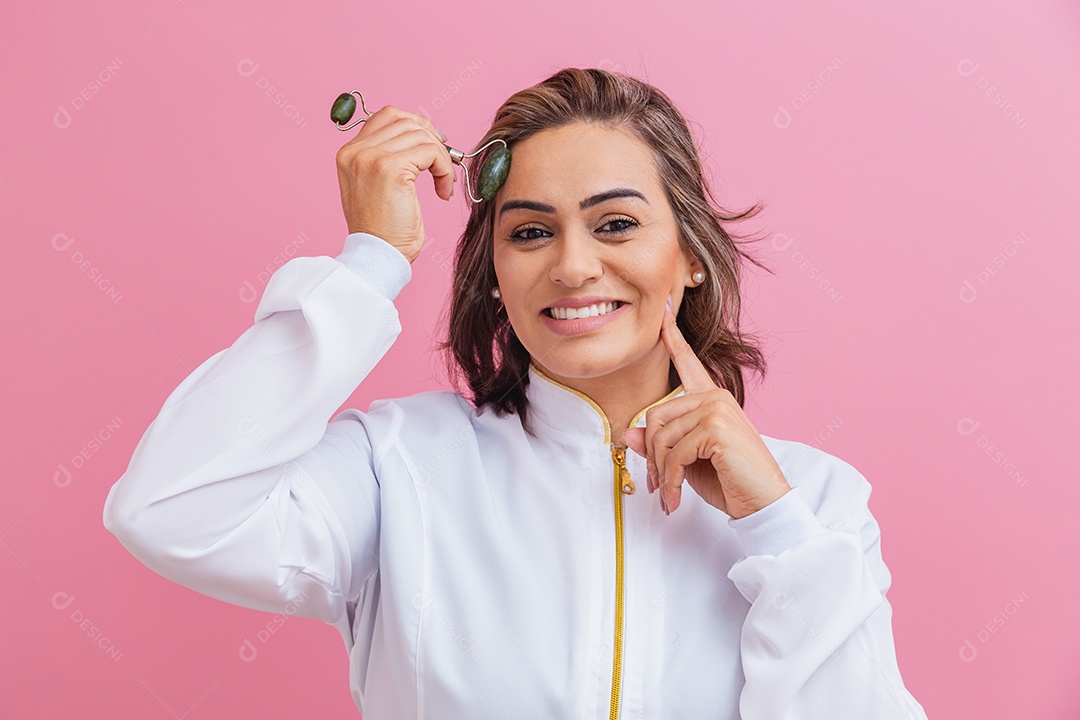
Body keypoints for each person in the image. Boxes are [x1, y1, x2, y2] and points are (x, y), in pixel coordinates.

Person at [102, 67, 929, 719]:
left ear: (693, 256)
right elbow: (168, 507)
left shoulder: (817, 502)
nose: (572, 266)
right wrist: (371, 261)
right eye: (530, 231)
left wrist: (776, 528)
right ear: (494, 275)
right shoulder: (395, 470)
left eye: (615, 224)